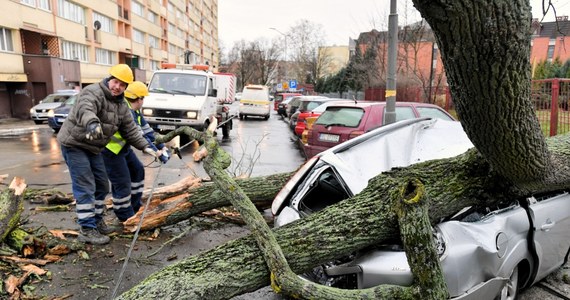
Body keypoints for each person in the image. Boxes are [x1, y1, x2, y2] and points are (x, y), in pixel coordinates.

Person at [57, 64, 159, 245]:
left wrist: (146, 147)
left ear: (126, 88)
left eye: (122, 85)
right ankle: (87, 229)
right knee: (86, 184)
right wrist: (92, 124)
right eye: (115, 82)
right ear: (109, 79)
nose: (117, 86)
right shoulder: (93, 92)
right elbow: (85, 109)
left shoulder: (121, 106)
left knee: (102, 185)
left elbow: (131, 130)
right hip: (74, 144)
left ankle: (96, 222)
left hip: (94, 148)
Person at [102, 81, 169, 223]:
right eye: (143, 98)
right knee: (122, 182)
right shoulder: (125, 110)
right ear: (139, 99)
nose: (143, 101)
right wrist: (156, 152)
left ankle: (135, 205)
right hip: (110, 151)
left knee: (138, 171)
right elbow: (139, 135)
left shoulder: (136, 111)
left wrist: (162, 146)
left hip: (122, 148)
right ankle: (124, 215)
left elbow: (147, 131)